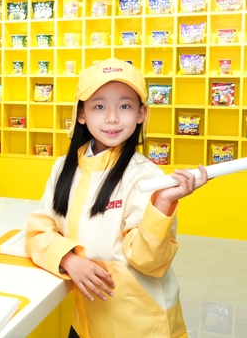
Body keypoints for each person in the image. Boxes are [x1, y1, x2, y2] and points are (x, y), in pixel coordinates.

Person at [24, 58, 208, 338]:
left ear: (141, 113)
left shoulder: (146, 176)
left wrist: (162, 203)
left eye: (125, 106)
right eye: (99, 106)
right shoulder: (63, 168)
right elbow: (38, 231)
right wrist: (69, 259)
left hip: (139, 324)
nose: (112, 118)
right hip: (84, 320)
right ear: (81, 114)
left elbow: (148, 261)